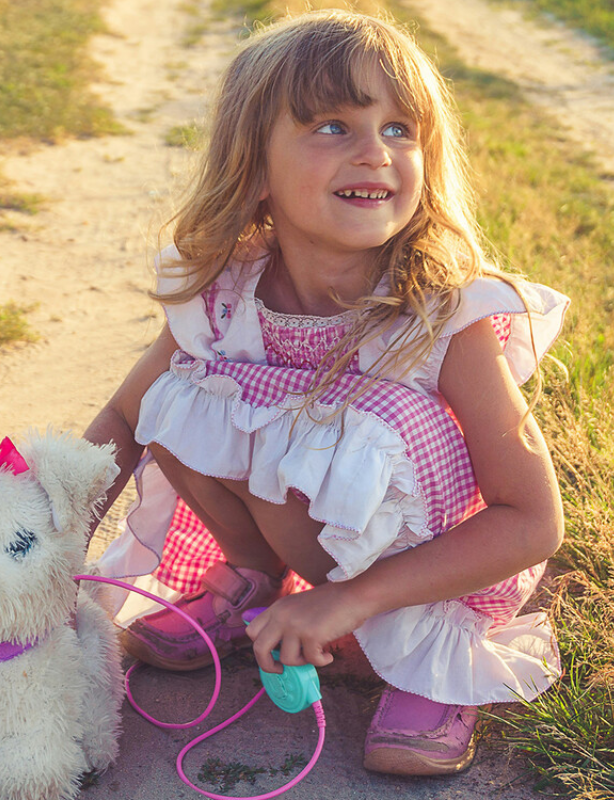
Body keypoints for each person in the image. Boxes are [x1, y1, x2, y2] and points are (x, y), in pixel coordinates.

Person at [84, 9, 569, 777]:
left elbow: (533, 522)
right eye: (333, 127)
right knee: (182, 391)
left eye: (400, 129)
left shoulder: (443, 315)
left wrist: (345, 602)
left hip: (422, 575)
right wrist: (49, 547)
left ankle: (422, 662)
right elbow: (124, 416)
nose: (376, 151)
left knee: (376, 414)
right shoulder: (227, 293)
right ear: (255, 168)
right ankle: (257, 582)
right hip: (302, 541)